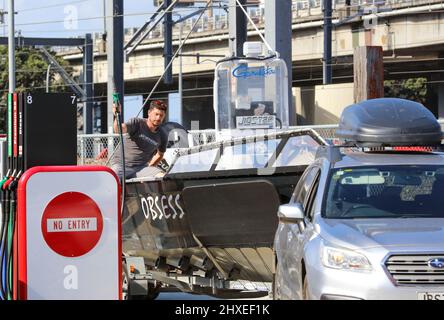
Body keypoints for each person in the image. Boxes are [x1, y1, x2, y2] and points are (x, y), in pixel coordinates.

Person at [111, 100, 168, 179]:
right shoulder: (137, 123)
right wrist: (116, 114)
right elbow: (118, 130)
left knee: (164, 177)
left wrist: (150, 167)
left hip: (142, 168)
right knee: (111, 180)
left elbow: (160, 154)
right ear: (149, 113)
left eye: (161, 115)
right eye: (156, 114)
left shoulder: (162, 135)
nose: (158, 118)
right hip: (121, 166)